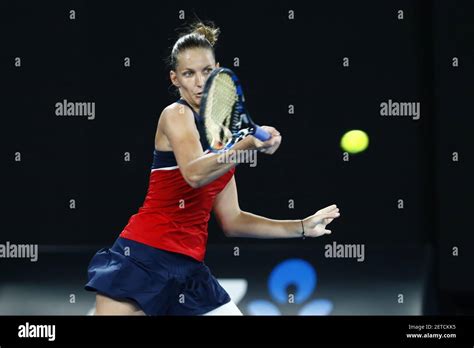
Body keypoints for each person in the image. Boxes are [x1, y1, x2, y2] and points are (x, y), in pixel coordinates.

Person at [85, 22, 341, 316]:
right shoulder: (176, 114)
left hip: (190, 273)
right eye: (188, 74)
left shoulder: (224, 137)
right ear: (175, 78)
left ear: (218, 70)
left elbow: (232, 221)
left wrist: (301, 227)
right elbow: (194, 174)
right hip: (142, 257)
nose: (198, 82)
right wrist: (245, 147)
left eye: (207, 71)